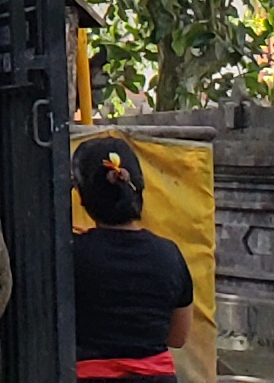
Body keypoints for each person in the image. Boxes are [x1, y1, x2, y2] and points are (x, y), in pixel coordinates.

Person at [68, 136, 194, 381]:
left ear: (83, 198)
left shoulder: (72, 254)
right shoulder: (170, 255)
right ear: (138, 189)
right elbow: (178, 337)